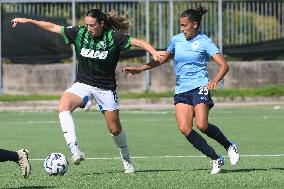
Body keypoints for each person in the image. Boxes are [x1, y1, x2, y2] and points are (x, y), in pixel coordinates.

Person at [11, 9, 163, 173]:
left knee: (114, 129)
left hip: (106, 88)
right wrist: (28, 20)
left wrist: (154, 52)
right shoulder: (79, 33)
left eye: (92, 25)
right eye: (87, 25)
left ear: (101, 24)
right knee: (63, 107)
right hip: (83, 83)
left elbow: (138, 42)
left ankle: (126, 160)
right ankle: (75, 150)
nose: (89, 28)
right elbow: (53, 28)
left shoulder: (113, 37)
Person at [122, 5, 239, 174]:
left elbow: (224, 65)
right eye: (181, 25)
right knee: (185, 128)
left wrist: (215, 80)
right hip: (181, 89)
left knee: (202, 125)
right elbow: (161, 60)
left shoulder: (205, 41)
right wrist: (140, 69)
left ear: (195, 24)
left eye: (185, 25)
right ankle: (215, 158)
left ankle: (229, 146)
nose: (181, 28)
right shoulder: (176, 40)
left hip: (200, 86)